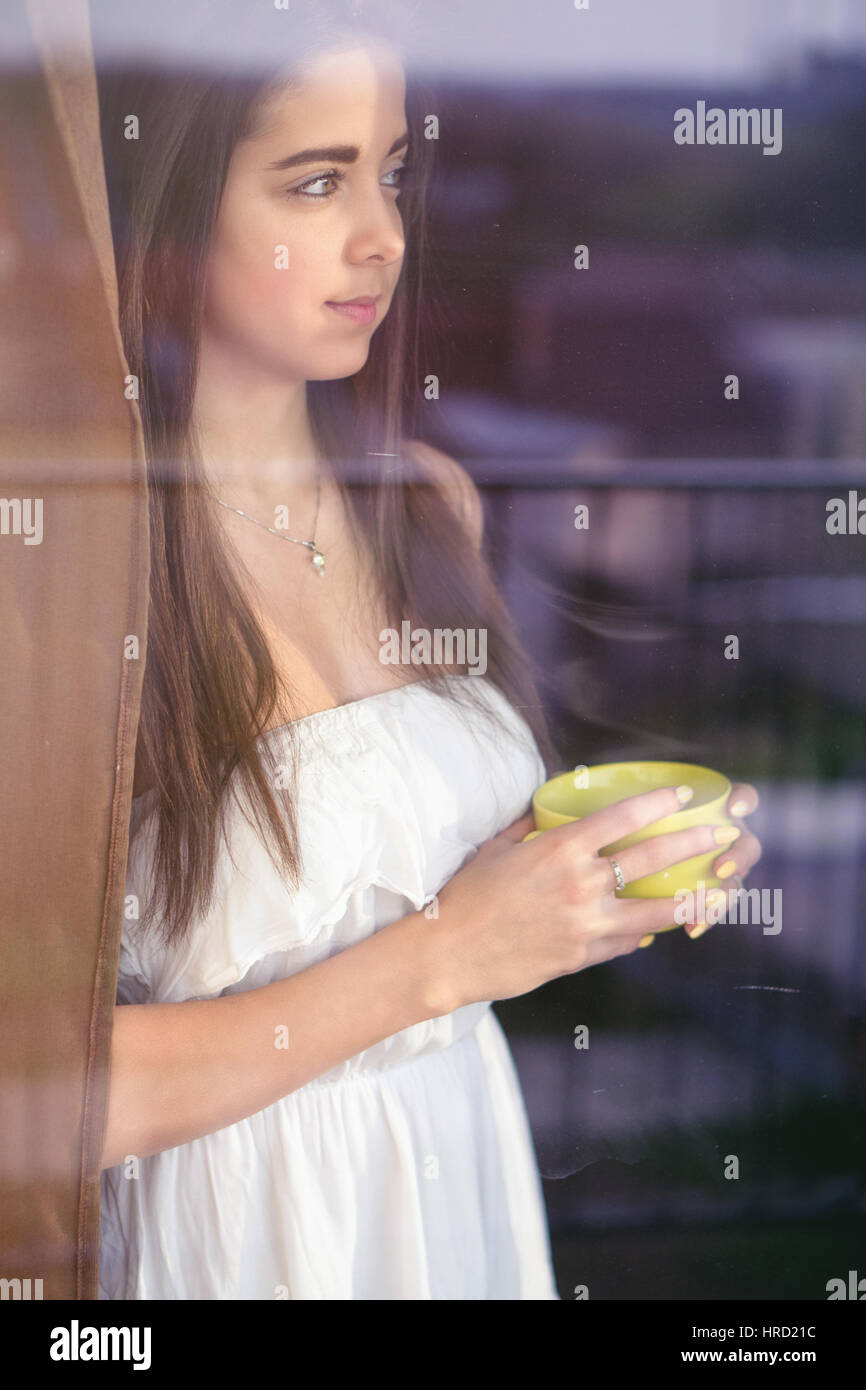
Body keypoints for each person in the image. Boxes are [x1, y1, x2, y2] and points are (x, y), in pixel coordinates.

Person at [94, 0, 762, 1300]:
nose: (382, 235)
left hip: (455, 1174)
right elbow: (38, 1100)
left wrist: (596, 876)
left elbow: (452, 891)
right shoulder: (77, 575)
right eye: (315, 181)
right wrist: (454, 954)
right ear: (164, 221)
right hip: (239, 1234)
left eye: (390, 172)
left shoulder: (423, 503)